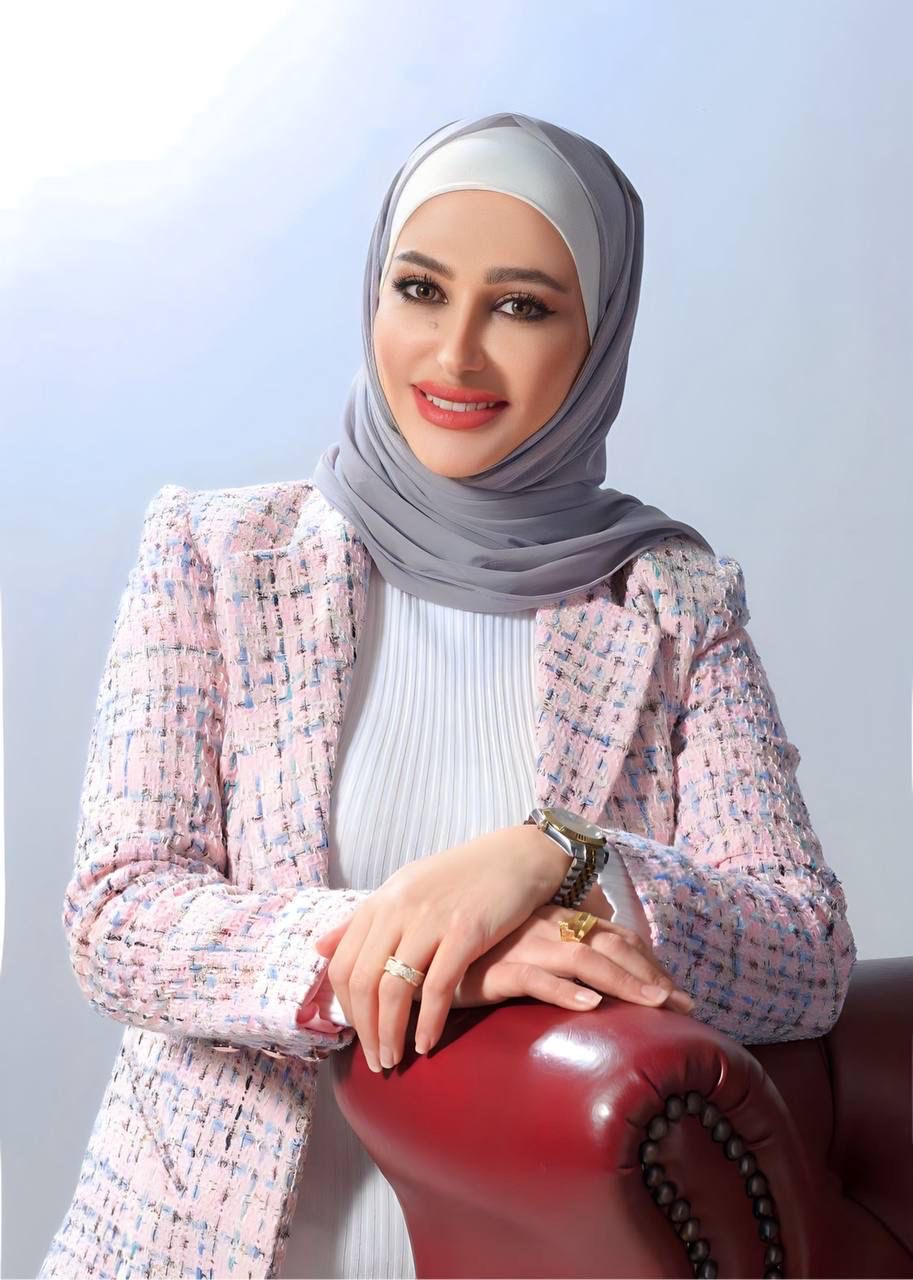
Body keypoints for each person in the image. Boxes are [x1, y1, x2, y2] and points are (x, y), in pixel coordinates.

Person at [38, 111, 856, 1280]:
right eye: (420, 289)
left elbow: (804, 950)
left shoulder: (674, 603)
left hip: (545, 1252)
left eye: (521, 306)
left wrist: (555, 858)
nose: (456, 354)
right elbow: (121, 916)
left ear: (598, 334)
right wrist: (437, 950)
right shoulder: (219, 556)